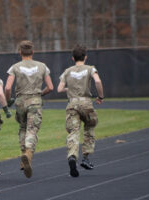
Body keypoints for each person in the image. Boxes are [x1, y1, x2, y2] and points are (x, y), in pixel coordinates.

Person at [5, 40, 54, 178]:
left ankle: (23, 157)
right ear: (33, 52)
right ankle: (28, 154)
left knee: (22, 128)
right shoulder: (42, 66)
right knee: (32, 130)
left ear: (20, 52)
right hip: (35, 101)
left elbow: (8, 87)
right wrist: (40, 94)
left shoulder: (15, 67)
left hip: (20, 102)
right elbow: (50, 87)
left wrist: (8, 100)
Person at [57, 44, 104, 177]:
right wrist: (100, 96)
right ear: (85, 57)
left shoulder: (67, 71)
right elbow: (98, 81)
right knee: (90, 126)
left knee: (73, 131)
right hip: (86, 103)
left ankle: (72, 156)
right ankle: (86, 157)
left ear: (73, 58)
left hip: (72, 104)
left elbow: (59, 89)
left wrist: (69, 89)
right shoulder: (91, 69)